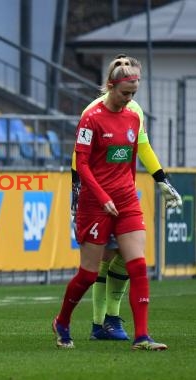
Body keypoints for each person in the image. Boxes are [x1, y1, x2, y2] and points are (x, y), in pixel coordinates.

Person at [54, 59, 167, 351]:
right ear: (111, 86)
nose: (130, 100)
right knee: (89, 274)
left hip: (126, 201)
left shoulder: (133, 117)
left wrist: (130, 190)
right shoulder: (91, 118)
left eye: (134, 94)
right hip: (95, 203)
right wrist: (102, 197)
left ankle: (142, 336)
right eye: (125, 93)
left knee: (138, 265)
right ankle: (62, 321)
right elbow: (82, 163)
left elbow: (130, 160)